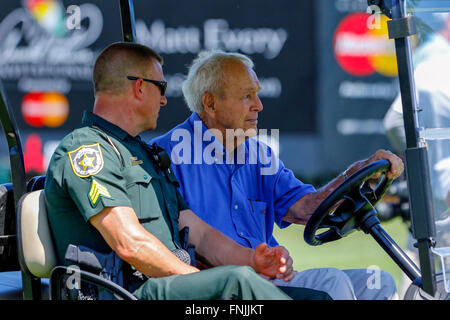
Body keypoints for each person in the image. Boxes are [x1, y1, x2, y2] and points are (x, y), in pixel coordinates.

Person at [44, 42, 331, 300]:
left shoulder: (148, 156)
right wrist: (201, 281)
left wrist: (252, 259)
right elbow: (129, 243)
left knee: (314, 297)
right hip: (127, 291)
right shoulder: (87, 149)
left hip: (166, 286)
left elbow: (200, 235)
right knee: (237, 283)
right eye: (161, 88)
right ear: (140, 87)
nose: (164, 100)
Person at [152, 50, 405, 300]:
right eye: (247, 96)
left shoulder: (259, 154)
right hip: (224, 289)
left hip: (270, 281)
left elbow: (306, 208)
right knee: (331, 283)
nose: (258, 105)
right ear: (211, 103)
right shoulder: (168, 155)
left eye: (257, 94)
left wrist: (358, 174)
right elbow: (175, 251)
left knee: (379, 283)